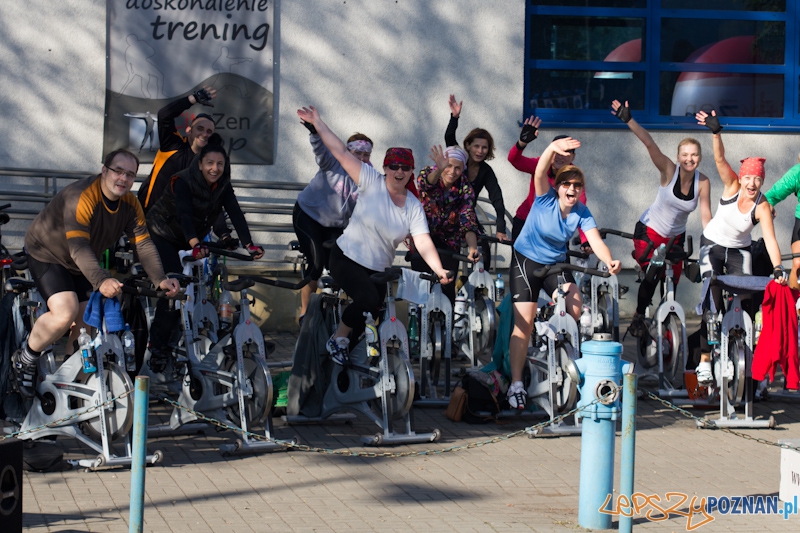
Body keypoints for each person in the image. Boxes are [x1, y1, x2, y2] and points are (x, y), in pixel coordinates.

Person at [13, 149, 180, 397]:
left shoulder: (130, 205)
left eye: (130, 174)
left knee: (88, 323)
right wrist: (101, 279)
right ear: (104, 171)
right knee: (65, 311)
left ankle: (67, 380)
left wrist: (160, 279)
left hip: (81, 260)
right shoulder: (80, 196)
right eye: (118, 171)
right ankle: (24, 358)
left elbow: (143, 244)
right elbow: (78, 245)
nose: (123, 178)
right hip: (47, 253)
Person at [296, 105, 452, 366]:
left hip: (378, 268)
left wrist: (439, 269)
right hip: (347, 258)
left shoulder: (413, 204)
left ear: (411, 171)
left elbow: (422, 240)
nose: (398, 172)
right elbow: (339, 151)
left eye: (404, 167)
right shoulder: (370, 180)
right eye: (393, 166)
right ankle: (337, 340)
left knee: (373, 312)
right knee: (366, 299)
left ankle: (346, 360)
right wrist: (318, 123)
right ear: (385, 167)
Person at [506, 138, 622, 410]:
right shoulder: (544, 198)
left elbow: (594, 240)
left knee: (575, 307)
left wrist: (610, 260)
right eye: (566, 184)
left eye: (576, 185)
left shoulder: (581, 211)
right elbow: (538, 170)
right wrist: (553, 147)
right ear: (557, 186)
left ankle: (552, 341)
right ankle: (516, 384)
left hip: (555, 264)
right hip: (526, 262)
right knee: (522, 326)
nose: (572, 189)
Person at [145, 143, 264, 370]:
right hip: (163, 233)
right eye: (209, 163)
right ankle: (157, 347)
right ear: (200, 164)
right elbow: (185, 214)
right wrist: (196, 244)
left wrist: (249, 245)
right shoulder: (182, 180)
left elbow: (235, 213)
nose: (215, 168)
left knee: (201, 286)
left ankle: (190, 335)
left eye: (220, 164)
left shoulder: (222, 185)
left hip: (190, 238)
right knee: (174, 285)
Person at [693, 109, 786, 385]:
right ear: (742, 178)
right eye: (749, 178)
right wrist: (716, 131)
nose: (753, 184)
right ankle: (705, 362)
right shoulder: (733, 186)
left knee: (746, 295)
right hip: (713, 243)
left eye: (758, 179)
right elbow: (720, 159)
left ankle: (742, 346)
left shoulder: (763, 206)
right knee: (712, 294)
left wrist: (779, 267)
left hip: (739, 250)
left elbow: (769, 239)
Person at [611, 100, 712, 337]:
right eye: (685, 154)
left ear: (699, 157)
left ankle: (667, 323)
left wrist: (712, 243)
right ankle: (638, 316)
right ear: (678, 157)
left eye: (694, 155)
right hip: (650, 230)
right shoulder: (669, 169)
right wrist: (628, 119)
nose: (689, 159)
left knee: (673, 281)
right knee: (654, 273)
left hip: (675, 236)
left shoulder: (703, 181)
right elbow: (649, 143)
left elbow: (706, 216)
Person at [293, 121, 369, 325]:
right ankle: (305, 314)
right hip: (308, 215)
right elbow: (320, 150)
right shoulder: (333, 162)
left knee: (339, 267)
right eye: (357, 153)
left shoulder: (367, 175)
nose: (361, 158)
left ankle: (334, 314)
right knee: (316, 265)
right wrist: (314, 132)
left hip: (335, 224)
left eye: (366, 155)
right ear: (348, 152)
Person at [413, 145, 482, 303]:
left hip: (449, 240)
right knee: (420, 286)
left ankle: (446, 324)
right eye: (448, 165)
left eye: (457, 168)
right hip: (423, 237)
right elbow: (425, 185)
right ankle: (416, 321)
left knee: (447, 287)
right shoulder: (428, 173)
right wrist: (439, 170)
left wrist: (472, 248)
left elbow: (467, 216)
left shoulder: (465, 187)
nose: (452, 171)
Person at [507, 118, 590, 249]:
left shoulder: (575, 178)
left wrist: (585, 240)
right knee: (521, 267)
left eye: (566, 152)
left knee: (561, 268)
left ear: (573, 157)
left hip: (556, 229)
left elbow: (580, 209)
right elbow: (514, 160)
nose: (560, 156)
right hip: (526, 223)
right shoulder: (540, 164)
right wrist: (521, 143)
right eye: (557, 151)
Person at [445, 95, 507, 266]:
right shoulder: (459, 160)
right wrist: (455, 117)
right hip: (447, 212)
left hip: (467, 214)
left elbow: (497, 198)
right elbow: (449, 137)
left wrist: (500, 229)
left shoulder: (486, 171)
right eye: (476, 146)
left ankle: (482, 285)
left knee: (484, 245)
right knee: (450, 252)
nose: (480, 151)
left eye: (484, 147)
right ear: (468, 145)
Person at [764, 154, 800, 290]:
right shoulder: (798, 172)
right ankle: (795, 308)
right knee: (798, 264)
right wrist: (769, 205)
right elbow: (771, 195)